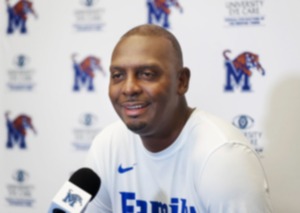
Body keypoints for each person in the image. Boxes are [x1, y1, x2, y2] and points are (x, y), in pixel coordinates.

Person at [84, 24, 273, 212]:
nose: (129, 88)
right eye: (118, 75)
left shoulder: (223, 157)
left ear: (181, 81)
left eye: (147, 74)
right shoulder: (107, 146)